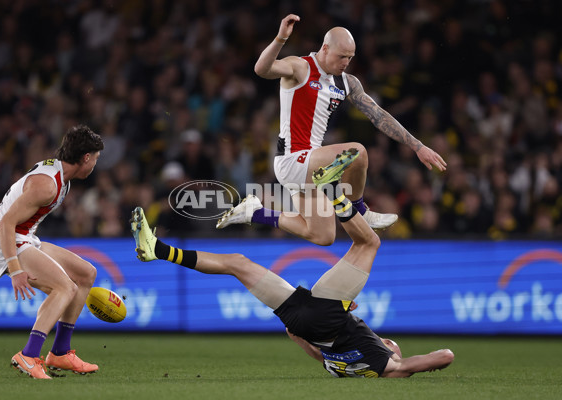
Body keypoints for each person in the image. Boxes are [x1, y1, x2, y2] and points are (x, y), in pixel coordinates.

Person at [132, 156, 454, 378]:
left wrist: (405, 364)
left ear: (391, 353)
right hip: (303, 322)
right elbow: (307, 346)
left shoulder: (385, 363)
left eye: (388, 342)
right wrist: (321, 322)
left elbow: (445, 355)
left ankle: (332, 192)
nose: (384, 339)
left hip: (325, 316)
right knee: (237, 264)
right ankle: (157, 249)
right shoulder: (340, 366)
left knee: (369, 244)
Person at [217, 14, 447, 246]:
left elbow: (378, 116)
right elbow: (261, 69)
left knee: (323, 236)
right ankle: (361, 210)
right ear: (325, 48)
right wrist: (280, 39)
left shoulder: (348, 82)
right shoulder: (301, 66)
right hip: (292, 159)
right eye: (342, 56)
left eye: (350, 57)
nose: (346, 62)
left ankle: (255, 212)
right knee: (358, 151)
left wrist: (418, 146)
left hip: (313, 168)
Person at [0, 125, 104, 379]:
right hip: (2, 238)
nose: (95, 164)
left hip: (23, 236)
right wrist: (15, 269)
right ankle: (28, 355)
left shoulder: (61, 176)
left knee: (85, 273)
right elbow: (6, 224)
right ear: (85, 158)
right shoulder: (48, 185)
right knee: (65, 288)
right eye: (95, 158)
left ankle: (60, 352)